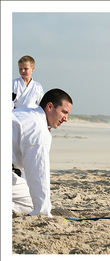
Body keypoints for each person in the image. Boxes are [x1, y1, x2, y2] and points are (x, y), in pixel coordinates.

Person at [12, 88, 73, 217]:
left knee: (28, 199)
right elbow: (39, 172)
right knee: (32, 204)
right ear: (50, 106)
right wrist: (42, 212)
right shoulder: (38, 129)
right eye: (64, 112)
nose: (66, 119)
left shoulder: (25, 112)